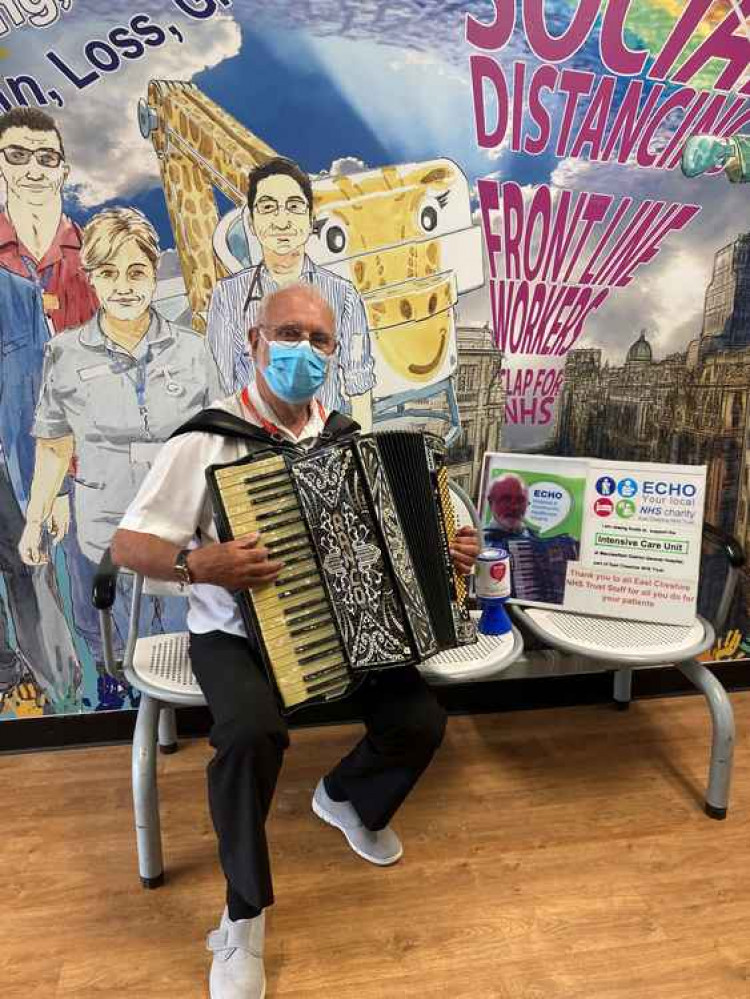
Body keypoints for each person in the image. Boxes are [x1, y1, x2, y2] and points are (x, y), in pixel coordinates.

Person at [111, 283, 480, 999]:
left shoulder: (347, 437)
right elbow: (128, 544)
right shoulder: (206, 439)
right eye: (288, 333)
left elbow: (399, 543)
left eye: (320, 339)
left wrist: (446, 550)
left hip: (347, 630)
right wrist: (198, 562)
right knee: (251, 737)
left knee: (420, 721)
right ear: (254, 342)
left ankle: (345, 798)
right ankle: (242, 917)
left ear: (335, 353)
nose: (303, 351)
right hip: (232, 634)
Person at [19, 207, 211, 708]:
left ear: (154, 273)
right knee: (107, 635)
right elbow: (55, 442)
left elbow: (219, 442)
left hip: (178, 530)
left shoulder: (192, 351)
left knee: (180, 640)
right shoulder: (65, 353)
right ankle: (115, 690)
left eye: (136, 272)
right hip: (103, 531)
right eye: (107, 273)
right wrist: (35, 518)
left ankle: (178, 723)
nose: (123, 286)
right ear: (91, 278)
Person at [205, 156, 376, 431]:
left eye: (294, 207)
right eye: (268, 208)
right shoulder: (227, 296)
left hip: (327, 449)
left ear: (310, 219)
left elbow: (360, 390)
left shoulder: (342, 296)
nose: (282, 221)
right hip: (257, 453)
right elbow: (221, 390)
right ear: (250, 221)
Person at [0, 266, 81, 711]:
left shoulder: (19, 295)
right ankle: (4, 676)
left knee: (31, 572)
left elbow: (45, 399)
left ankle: (59, 693)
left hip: (13, 465)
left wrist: (60, 490)